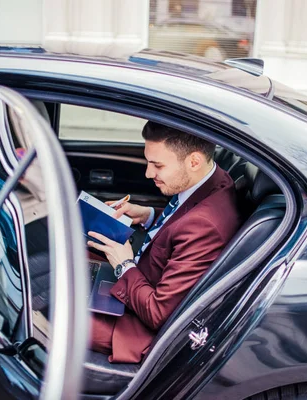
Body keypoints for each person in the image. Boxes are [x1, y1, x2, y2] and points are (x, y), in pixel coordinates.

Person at [86, 121, 241, 363]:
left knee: (55, 308)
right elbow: (181, 221)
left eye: (157, 165)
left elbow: (158, 314)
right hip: (140, 282)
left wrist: (124, 265)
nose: (148, 174)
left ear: (194, 161)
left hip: (135, 325)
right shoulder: (214, 180)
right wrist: (147, 214)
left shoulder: (205, 227)